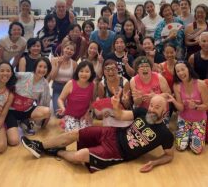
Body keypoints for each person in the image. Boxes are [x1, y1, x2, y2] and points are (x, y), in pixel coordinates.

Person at [21, 93, 174, 173]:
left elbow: (169, 155)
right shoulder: (142, 111)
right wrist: (115, 106)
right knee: (75, 133)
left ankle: (57, 152)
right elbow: (121, 115)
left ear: (165, 110)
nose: (152, 109)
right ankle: (39, 145)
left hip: (118, 152)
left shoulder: (165, 134)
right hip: (112, 133)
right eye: (152, 105)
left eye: (157, 107)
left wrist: (154, 163)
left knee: (79, 156)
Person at [6, 58, 52, 145]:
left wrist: (42, 125)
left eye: (45, 67)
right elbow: (7, 75)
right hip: (11, 111)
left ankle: (25, 121)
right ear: (35, 67)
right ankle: (9, 125)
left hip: (26, 110)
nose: (42, 69)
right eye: (40, 66)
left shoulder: (45, 83)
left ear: (48, 70)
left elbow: (45, 104)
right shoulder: (24, 75)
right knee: (14, 141)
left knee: (47, 111)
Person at [168, 61, 208, 154]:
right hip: (184, 119)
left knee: (197, 149)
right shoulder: (177, 85)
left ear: (189, 69)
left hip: (199, 120)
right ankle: (186, 133)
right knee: (180, 147)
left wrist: (196, 107)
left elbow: (207, 105)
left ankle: (193, 133)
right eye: (178, 71)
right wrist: (174, 101)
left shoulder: (201, 84)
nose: (181, 73)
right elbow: (181, 109)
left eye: (183, 69)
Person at [57, 61, 96, 132]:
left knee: (86, 133)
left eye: (87, 71)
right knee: (74, 133)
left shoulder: (92, 84)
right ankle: (65, 121)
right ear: (77, 72)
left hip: (84, 114)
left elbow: (93, 101)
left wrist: (89, 112)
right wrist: (63, 108)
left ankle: (68, 123)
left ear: (91, 73)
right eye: (81, 71)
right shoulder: (70, 83)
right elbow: (60, 99)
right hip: (70, 114)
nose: (84, 74)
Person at [49, 41, 77, 116]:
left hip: (68, 89)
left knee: (71, 112)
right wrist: (58, 65)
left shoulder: (74, 63)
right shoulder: (54, 60)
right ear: (63, 49)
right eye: (67, 48)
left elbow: (74, 80)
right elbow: (52, 77)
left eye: (72, 50)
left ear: (74, 52)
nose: (69, 51)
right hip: (57, 87)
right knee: (59, 114)